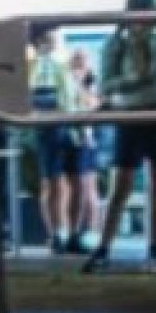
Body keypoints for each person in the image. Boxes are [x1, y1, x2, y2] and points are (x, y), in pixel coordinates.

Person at [83, 0, 156, 274]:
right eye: (141, 15)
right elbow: (105, 86)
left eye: (151, 16)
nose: (145, 23)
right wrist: (135, 78)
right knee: (120, 184)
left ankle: (153, 248)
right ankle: (103, 247)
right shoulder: (115, 44)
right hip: (130, 115)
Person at [26, 26, 79, 253]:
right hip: (46, 127)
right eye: (47, 37)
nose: (53, 41)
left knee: (74, 180)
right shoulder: (31, 67)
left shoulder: (62, 65)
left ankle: (71, 232)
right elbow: (31, 98)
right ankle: (54, 233)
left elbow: (71, 96)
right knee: (51, 181)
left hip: (69, 124)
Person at [66, 45, 104, 254]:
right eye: (77, 59)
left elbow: (94, 103)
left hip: (86, 137)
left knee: (89, 186)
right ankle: (77, 232)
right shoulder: (70, 78)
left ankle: (89, 232)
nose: (80, 64)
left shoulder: (91, 80)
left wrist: (83, 85)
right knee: (80, 186)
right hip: (75, 136)